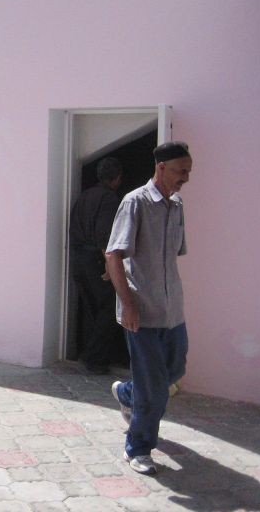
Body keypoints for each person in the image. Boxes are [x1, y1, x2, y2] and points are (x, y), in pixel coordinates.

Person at [105, 141, 193, 476]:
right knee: (155, 388)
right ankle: (138, 447)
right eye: (180, 170)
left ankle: (127, 392)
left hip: (173, 311)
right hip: (141, 312)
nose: (185, 177)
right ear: (161, 167)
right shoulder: (135, 203)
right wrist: (128, 305)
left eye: (188, 171)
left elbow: (172, 257)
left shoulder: (178, 205)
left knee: (174, 370)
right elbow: (114, 254)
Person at [69, 157, 125, 374]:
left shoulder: (84, 196)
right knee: (110, 308)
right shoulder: (109, 199)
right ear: (117, 178)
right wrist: (109, 266)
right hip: (96, 260)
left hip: (78, 258)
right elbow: (104, 235)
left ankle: (88, 354)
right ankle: (95, 359)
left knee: (91, 307)